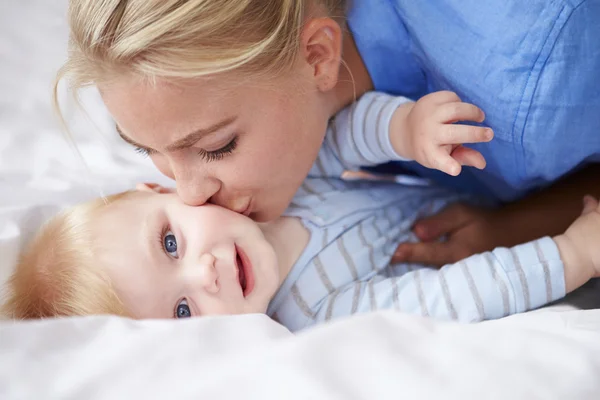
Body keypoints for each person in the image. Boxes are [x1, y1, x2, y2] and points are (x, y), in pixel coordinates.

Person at [56, 0, 600, 269]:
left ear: (317, 56)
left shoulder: (537, 81)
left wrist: (524, 227)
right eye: (148, 149)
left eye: (216, 146)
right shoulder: (323, 121)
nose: (190, 192)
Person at [5, 92, 600, 331]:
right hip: (524, 232)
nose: (205, 273)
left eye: (170, 245)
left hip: (469, 171)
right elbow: (453, 298)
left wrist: (402, 128)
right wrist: (572, 256)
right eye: (184, 311)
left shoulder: (263, 196)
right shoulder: (317, 310)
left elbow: (338, 137)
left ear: (160, 193)